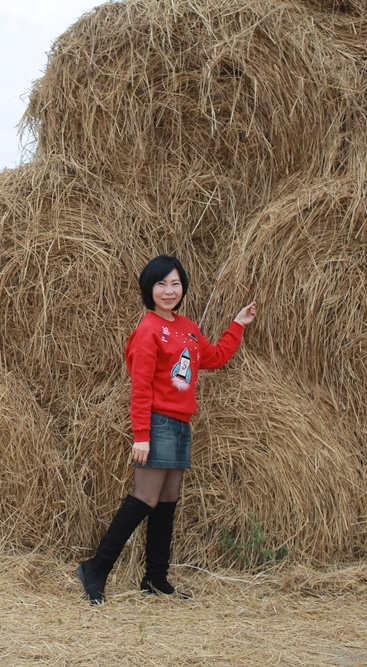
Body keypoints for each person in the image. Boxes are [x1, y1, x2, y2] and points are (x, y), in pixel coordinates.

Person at [76, 255, 257, 604]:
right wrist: (141, 435)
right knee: (144, 498)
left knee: (167, 502)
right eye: (161, 284)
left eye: (175, 283)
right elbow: (140, 386)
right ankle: (96, 568)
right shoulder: (147, 330)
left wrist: (238, 324)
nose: (169, 290)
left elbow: (215, 357)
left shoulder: (187, 327)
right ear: (150, 288)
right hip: (157, 421)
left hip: (180, 424)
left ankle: (156, 578)